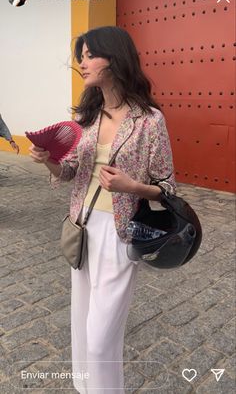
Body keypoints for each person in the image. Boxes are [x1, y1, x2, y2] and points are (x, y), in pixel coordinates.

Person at [29, 25, 176, 393]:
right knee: (81, 324)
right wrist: (48, 160)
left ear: (115, 59)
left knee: (100, 336)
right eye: (81, 55)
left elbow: (168, 187)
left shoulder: (149, 120)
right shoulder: (88, 118)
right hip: (82, 228)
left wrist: (132, 186)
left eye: (90, 54)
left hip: (120, 231)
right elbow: (69, 172)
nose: (82, 62)